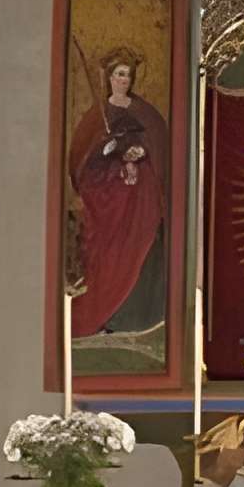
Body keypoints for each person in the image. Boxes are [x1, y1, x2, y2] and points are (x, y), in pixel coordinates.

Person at [66, 51, 170, 339]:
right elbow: (82, 162)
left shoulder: (145, 113)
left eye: (127, 74)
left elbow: (158, 148)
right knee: (108, 255)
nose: (123, 79)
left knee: (140, 244)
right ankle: (102, 313)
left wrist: (140, 152)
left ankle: (132, 316)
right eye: (118, 74)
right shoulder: (96, 115)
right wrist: (108, 152)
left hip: (139, 200)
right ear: (110, 78)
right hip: (108, 202)